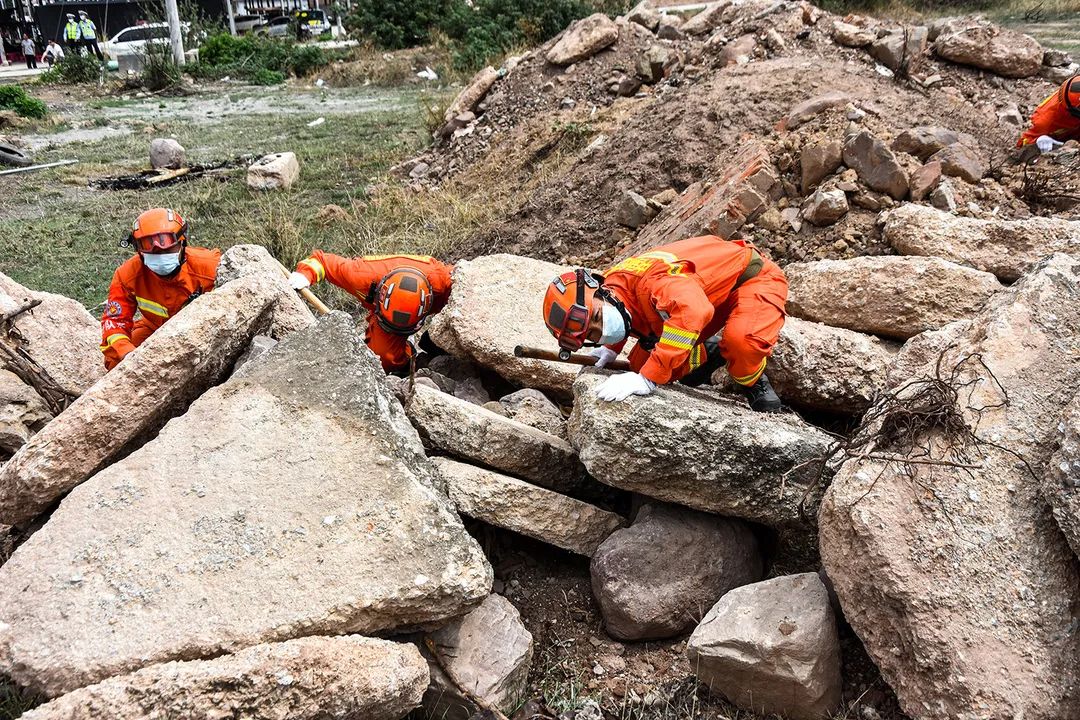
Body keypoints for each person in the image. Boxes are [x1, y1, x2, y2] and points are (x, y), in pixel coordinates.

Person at [542, 236, 788, 412]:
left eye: (597, 319)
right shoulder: (615, 284)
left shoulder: (653, 283)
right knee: (639, 362)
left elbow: (694, 311)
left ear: (602, 292)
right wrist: (610, 348)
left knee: (741, 344)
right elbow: (620, 308)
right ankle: (707, 353)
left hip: (751, 279)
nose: (602, 330)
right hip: (705, 295)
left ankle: (753, 382)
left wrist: (649, 378)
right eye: (593, 335)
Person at [289, 251, 453, 373]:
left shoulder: (443, 281)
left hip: (430, 299)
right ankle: (405, 355)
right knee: (384, 360)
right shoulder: (361, 276)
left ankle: (431, 340)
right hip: (382, 311)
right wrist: (305, 274)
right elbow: (321, 261)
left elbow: (471, 282)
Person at [100, 208, 220, 371]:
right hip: (155, 329)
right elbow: (114, 322)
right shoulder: (127, 275)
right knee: (115, 362)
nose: (159, 252)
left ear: (181, 241)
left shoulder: (210, 266)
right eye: (149, 247)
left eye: (166, 246)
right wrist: (128, 354)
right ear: (138, 249)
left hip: (202, 331)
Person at [1017, 74, 1080, 155]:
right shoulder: (1045, 121)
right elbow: (1022, 143)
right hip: (1062, 140)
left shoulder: (1074, 91)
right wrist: (1038, 140)